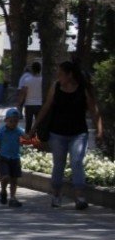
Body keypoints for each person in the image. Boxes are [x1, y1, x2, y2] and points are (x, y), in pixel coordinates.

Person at [33, 60, 104, 210]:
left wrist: (99, 129)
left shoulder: (82, 89)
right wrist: (34, 127)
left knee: (77, 161)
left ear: (70, 75)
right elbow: (46, 107)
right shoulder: (56, 87)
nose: (58, 77)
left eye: (60, 74)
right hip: (57, 133)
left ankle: (80, 197)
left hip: (78, 133)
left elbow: (94, 110)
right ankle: (56, 194)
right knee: (59, 164)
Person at [0, 108, 25, 207]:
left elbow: (27, 136)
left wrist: (34, 128)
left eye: (16, 121)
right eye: (11, 121)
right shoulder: (2, 131)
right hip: (4, 158)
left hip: (15, 158)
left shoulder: (18, 130)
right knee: (6, 177)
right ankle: (3, 190)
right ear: (6, 120)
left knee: (14, 179)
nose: (13, 123)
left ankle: (13, 198)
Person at [16, 61, 43, 133]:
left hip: (29, 104)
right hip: (39, 104)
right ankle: (39, 136)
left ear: (32, 69)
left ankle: (28, 137)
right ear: (40, 69)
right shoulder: (43, 80)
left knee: (28, 123)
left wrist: (19, 103)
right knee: (39, 123)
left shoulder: (27, 80)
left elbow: (23, 93)